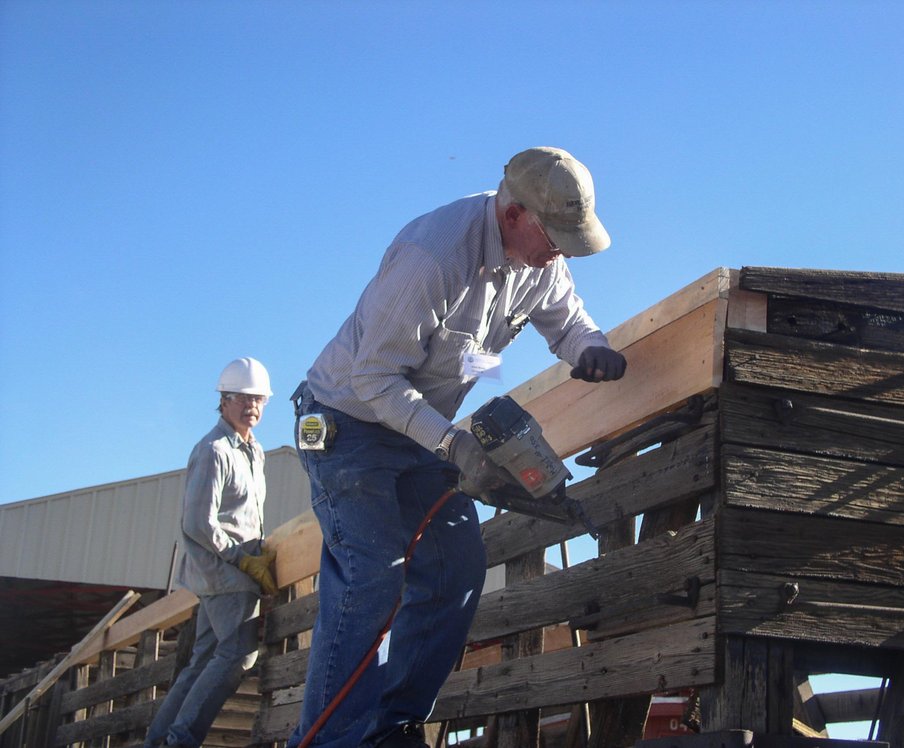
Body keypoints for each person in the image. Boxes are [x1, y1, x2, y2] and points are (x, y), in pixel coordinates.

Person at [288, 147, 627, 748]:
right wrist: (450, 443)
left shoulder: (540, 259)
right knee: (371, 574)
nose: (561, 253)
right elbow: (374, 381)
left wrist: (589, 347)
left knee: (457, 571)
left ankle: (392, 728)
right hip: (346, 423)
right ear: (514, 213)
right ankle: (332, 740)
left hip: (421, 430)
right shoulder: (433, 257)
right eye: (556, 237)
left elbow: (565, 317)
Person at [145, 357, 278, 748]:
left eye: (259, 400)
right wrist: (242, 558)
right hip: (226, 574)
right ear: (224, 401)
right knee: (239, 654)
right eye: (242, 399)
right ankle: (181, 740)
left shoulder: (255, 451)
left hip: (231, 572)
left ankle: (158, 741)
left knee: (203, 659)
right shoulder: (213, 450)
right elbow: (197, 523)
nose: (251, 407)